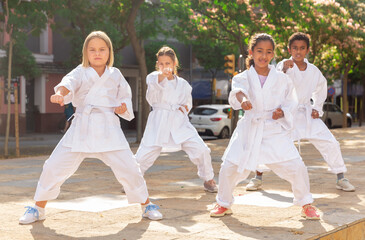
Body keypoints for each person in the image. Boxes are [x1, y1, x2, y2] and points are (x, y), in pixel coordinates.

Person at [19, 31, 162, 224]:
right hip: (82, 127)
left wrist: (123, 107)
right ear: (85, 52)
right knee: (53, 166)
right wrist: (60, 94)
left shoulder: (115, 74)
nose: (97, 53)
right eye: (92, 49)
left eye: (102, 49)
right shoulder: (80, 71)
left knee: (130, 168)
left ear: (109, 52)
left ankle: (146, 205)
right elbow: (67, 84)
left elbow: (125, 97)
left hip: (108, 127)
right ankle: (38, 208)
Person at [210, 33, 320, 220]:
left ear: (273, 55)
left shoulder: (281, 78)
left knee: (296, 166)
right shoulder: (243, 77)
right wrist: (244, 101)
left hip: (273, 128)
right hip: (250, 126)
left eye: (268, 52)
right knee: (230, 165)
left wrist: (282, 112)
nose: (263, 55)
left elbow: (290, 100)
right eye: (259, 51)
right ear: (251, 53)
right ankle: (223, 203)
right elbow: (238, 92)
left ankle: (306, 203)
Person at [246, 32, 355, 192]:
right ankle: (257, 177)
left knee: (329, 142)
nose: (298, 51)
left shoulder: (313, 70)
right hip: (286, 113)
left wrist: (318, 108)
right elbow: (274, 81)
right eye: (295, 48)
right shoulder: (284, 65)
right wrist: (283, 68)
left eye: (302, 48)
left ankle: (341, 177)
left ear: (307, 50)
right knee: (269, 142)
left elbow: (321, 88)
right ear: (289, 49)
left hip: (306, 113)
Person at [135, 46, 217, 193]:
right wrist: (162, 75)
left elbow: (188, 103)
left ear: (174, 64)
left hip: (179, 123)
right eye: (161, 63)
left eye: (167, 63)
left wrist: (183, 109)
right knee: (144, 153)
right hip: (159, 122)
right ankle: (132, 181)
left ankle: (208, 179)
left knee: (202, 149)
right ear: (157, 64)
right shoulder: (154, 77)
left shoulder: (184, 85)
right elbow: (153, 86)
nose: (164, 67)